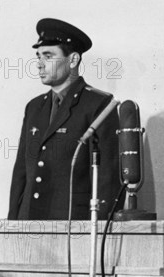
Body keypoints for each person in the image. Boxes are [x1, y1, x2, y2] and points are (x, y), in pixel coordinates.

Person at [8, 18, 121, 220]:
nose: (40, 64)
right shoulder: (34, 107)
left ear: (73, 60)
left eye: (48, 56)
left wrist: (99, 227)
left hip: (72, 227)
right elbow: (21, 173)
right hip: (29, 224)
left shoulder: (98, 105)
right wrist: (13, 225)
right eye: (38, 56)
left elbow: (107, 178)